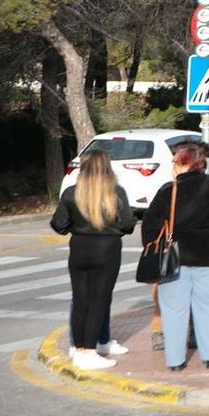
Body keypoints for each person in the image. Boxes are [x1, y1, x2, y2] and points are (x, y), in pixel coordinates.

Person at [141, 141, 209, 373]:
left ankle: (175, 360)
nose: (172, 165)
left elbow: (150, 227)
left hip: (175, 259)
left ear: (184, 163)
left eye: (175, 161)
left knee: (173, 310)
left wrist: (160, 247)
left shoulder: (168, 191)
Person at [51, 151, 135, 371]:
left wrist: (76, 227)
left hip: (80, 246)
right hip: (107, 248)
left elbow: (58, 224)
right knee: (99, 301)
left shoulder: (71, 193)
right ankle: (90, 350)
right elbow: (128, 224)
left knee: (80, 300)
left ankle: (78, 349)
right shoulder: (115, 192)